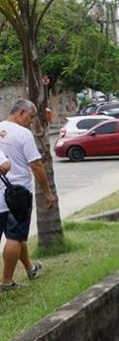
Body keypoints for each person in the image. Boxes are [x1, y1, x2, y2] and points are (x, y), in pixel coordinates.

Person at [0, 99, 56, 292]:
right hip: (18, 195)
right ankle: (6, 282)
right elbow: (36, 165)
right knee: (15, 236)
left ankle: (30, 268)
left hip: (0, 193)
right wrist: (48, 192)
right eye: (30, 118)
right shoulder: (23, 134)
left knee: (18, 234)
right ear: (21, 112)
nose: (31, 122)